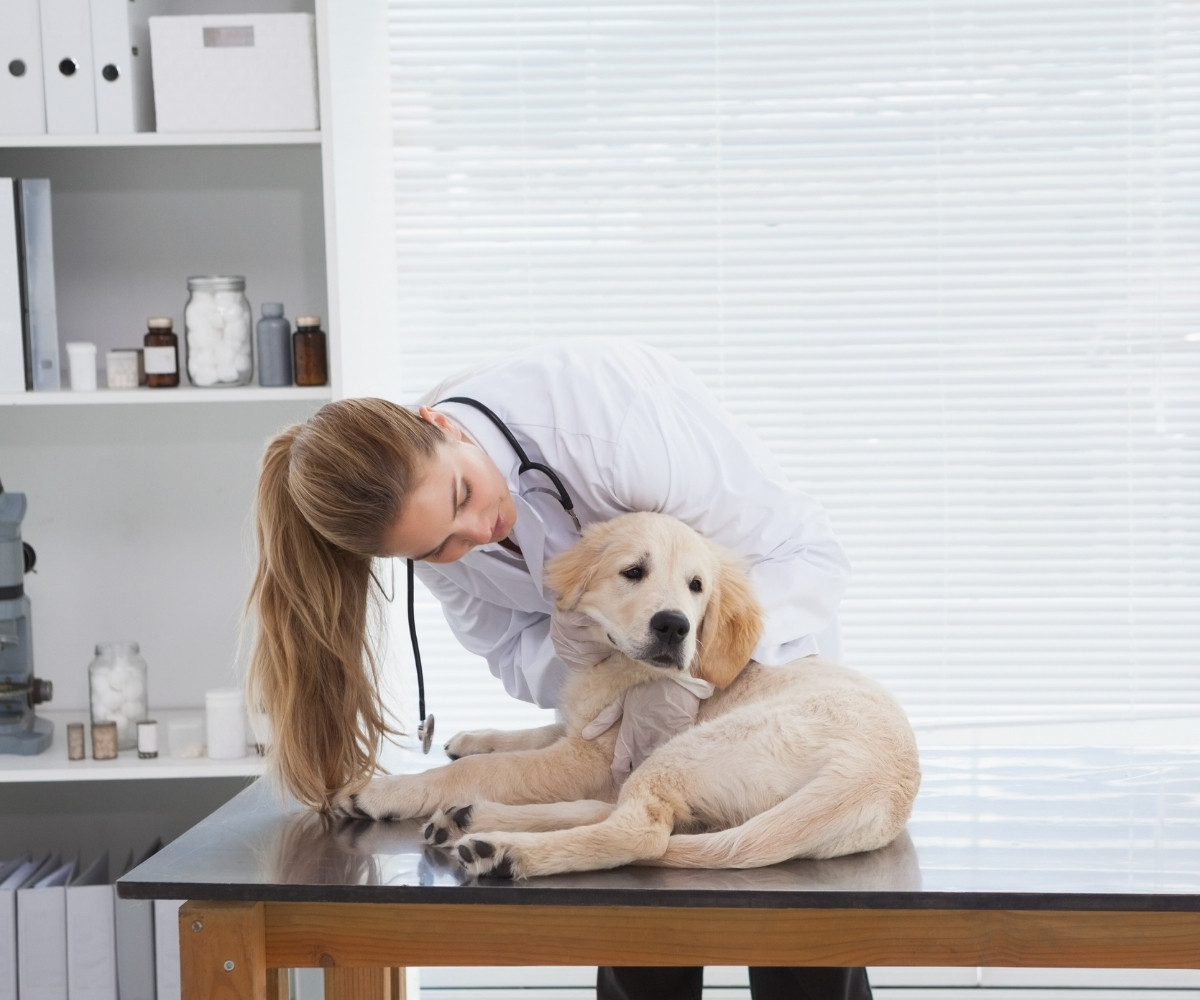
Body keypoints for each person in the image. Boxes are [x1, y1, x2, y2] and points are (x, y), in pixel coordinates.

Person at [247, 337, 869, 1000]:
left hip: (770, 692)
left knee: (798, 952)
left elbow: (807, 556)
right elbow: (518, 660)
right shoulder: (426, 533)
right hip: (628, 746)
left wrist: (695, 667)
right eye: (440, 547)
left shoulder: (610, 426)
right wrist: (589, 651)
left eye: (464, 493)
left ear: (438, 423)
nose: (477, 531)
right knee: (643, 946)